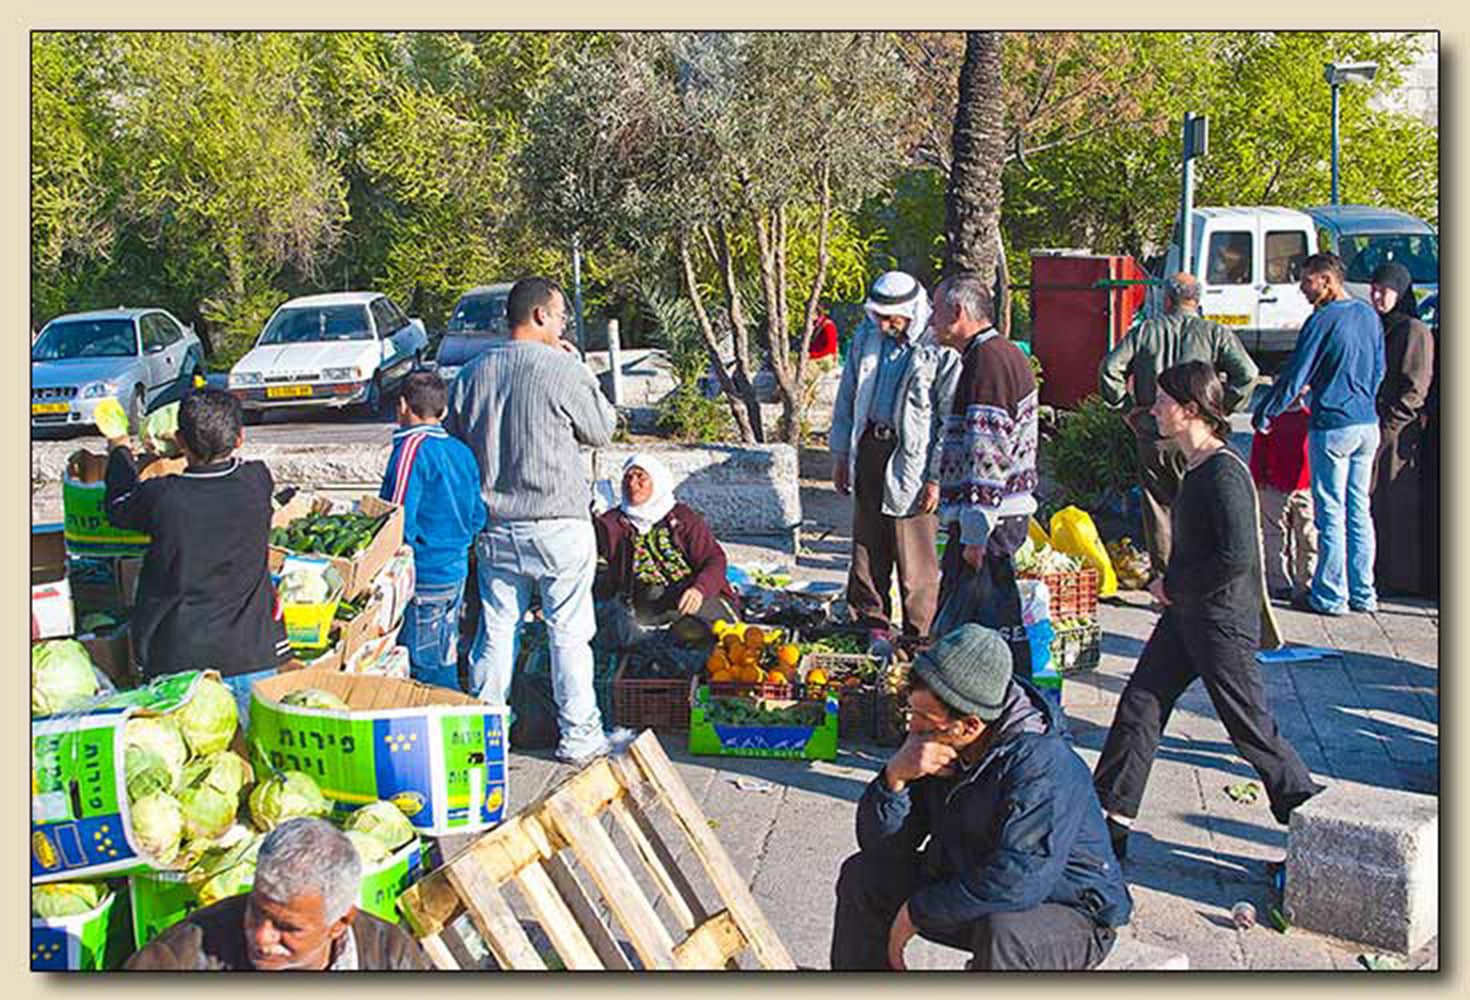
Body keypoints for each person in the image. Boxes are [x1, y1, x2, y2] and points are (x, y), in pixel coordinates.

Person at [1095, 362, 1323, 860]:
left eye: (1162, 401)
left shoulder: (1223, 470)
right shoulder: (1193, 463)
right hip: (1186, 618)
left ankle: (1315, 824)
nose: (1154, 409)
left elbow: (1237, 556)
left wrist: (1173, 584)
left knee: (1251, 729)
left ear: (1191, 409)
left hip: (1220, 622)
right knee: (1140, 705)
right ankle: (1108, 822)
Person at [830, 624, 1132, 972]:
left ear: (971, 726)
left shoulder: (1043, 767)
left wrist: (918, 912)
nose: (912, 729)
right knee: (864, 877)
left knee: (1003, 932)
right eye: (911, 713)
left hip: (1066, 912)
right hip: (970, 880)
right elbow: (881, 847)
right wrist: (894, 779)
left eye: (924, 720)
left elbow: (1019, 880)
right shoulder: (938, 741)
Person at [445, 276, 621, 766]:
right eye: (561, 314)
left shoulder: (471, 374)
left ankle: (485, 734)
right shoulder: (561, 370)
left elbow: (456, 442)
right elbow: (602, 430)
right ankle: (579, 735)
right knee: (568, 633)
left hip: (496, 526)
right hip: (558, 523)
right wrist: (580, 369)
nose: (564, 324)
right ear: (540, 315)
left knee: (497, 631)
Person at [104, 389, 289, 723]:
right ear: (240, 439)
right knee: (256, 764)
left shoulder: (161, 498)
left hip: (180, 661)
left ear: (179, 440)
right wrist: (188, 447)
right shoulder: (257, 481)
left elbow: (118, 507)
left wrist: (120, 448)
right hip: (251, 655)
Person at [1099, 272, 1258, 578]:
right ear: (1197, 300)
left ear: (1168, 299)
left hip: (1153, 431)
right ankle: (1193, 575)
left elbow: (1110, 368)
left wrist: (1127, 407)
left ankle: (1165, 580)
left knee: (1158, 506)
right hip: (1197, 432)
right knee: (1198, 504)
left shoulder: (1145, 331)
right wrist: (1220, 408)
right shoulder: (1215, 333)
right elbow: (1248, 374)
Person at [828, 271, 959, 641]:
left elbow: (949, 418)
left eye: (893, 318)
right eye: (880, 316)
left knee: (914, 559)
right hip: (870, 447)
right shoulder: (866, 338)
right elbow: (847, 397)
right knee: (867, 548)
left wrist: (935, 476)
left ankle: (919, 639)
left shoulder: (939, 347)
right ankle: (869, 626)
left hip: (913, 463)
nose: (885, 324)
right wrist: (840, 455)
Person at [1254, 253, 1385, 615]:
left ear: (1327, 280)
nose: (1301, 287)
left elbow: (1297, 375)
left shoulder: (1322, 320)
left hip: (1332, 424)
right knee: (1360, 510)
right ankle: (1364, 592)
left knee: (1330, 512)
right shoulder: (1368, 315)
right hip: (1366, 423)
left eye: (1307, 280)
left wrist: (1266, 413)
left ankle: (1330, 595)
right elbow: (1379, 369)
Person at [125, 818, 431, 970]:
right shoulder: (180, 959)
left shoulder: (391, 956)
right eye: (256, 910)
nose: (261, 937)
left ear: (339, 923)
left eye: (287, 927)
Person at [928, 273, 1037, 677]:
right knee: (988, 629)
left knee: (987, 635)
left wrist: (974, 533)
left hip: (992, 522)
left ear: (958, 312)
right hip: (996, 518)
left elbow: (985, 453)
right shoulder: (991, 355)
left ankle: (1013, 710)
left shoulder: (988, 360)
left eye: (936, 311)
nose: (930, 322)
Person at [381, 371, 487, 690]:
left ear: (402, 406)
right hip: (454, 569)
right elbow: (477, 513)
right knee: (445, 652)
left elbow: (396, 516)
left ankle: (442, 721)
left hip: (423, 573)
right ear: (442, 412)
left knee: (424, 666)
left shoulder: (411, 449)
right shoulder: (460, 451)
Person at [594, 453, 740, 626]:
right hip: (647, 606)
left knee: (709, 629)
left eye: (641, 477)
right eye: (628, 477)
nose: (632, 484)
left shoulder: (682, 517)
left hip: (693, 597)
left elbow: (714, 559)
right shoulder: (612, 523)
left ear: (657, 481)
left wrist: (699, 590)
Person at [1368, 262, 1435, 596]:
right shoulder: (1381, 326)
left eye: (1385, 290)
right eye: (1374, 289)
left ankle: (1401, 578)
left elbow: (1415, 387)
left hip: (1399, 433)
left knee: (1397, 506)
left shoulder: (1413, 330)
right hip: (1379, 426)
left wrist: (1390, 424)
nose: (1378, 296)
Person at [1248, 392, 1317, 604]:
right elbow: (1258, 451)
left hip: (1304, 487)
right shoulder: (1270, 420)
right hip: (1273, 486)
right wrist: (1257, 478)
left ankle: (1305, 580)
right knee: (1274, 536)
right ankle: (1278, 582)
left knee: (1307, 537)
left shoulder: (1310, 418)